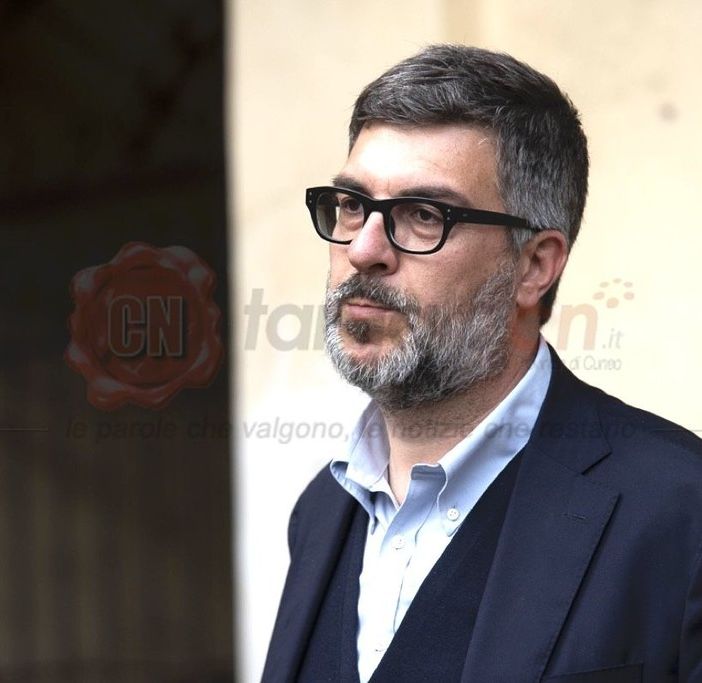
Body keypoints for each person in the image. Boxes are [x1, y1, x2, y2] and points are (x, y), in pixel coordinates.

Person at [261, 44, 702, 682]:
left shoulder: (678, 509)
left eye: (423, 215)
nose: (362, 249)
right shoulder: (321, 514)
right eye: (352, 204)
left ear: (535, 265)